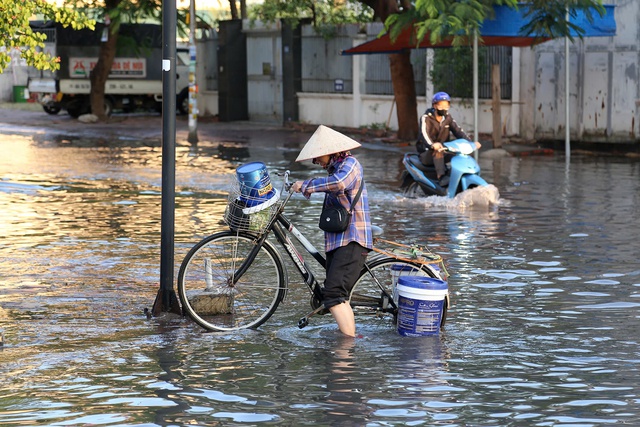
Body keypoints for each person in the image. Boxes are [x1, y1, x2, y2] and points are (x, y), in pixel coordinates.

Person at [291, 125, 373, 338]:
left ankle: (348, 348)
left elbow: (338, 183)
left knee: (334, 295)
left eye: (318, 156)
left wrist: (306, 185)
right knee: (337, 294)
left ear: (332, 151)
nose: (315, 161)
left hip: (353, 240)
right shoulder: (335, 169)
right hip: (340, 241)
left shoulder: (350, 165)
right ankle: (347, 337)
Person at [416, 91, 481, 187]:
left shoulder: (448, 118)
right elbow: (424, 134)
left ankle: (456, 176)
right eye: (441, 106)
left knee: (461, 154)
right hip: (427, 152)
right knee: (438, 151)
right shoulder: (426, 118)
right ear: (435, 106)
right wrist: (432, 145)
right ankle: (441, 177)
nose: (444, 109)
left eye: (446, 106)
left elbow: (458, 131)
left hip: (444, 150)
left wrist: (471, 143)